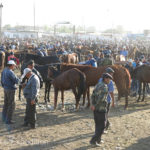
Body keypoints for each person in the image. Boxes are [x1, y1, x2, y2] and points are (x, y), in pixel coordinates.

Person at [90, 73, 113, 147]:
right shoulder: (104, 87)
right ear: (105, 79)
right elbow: (101, 99)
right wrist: (96, 105)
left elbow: (93, 95)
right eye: (109, 79)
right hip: (101, 109)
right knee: (102, 126)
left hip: (95, 109)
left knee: (97, 125)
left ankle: (98, 140)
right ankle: (93, 140)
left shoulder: (98, 84)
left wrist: (93, 104)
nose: (109, 80)